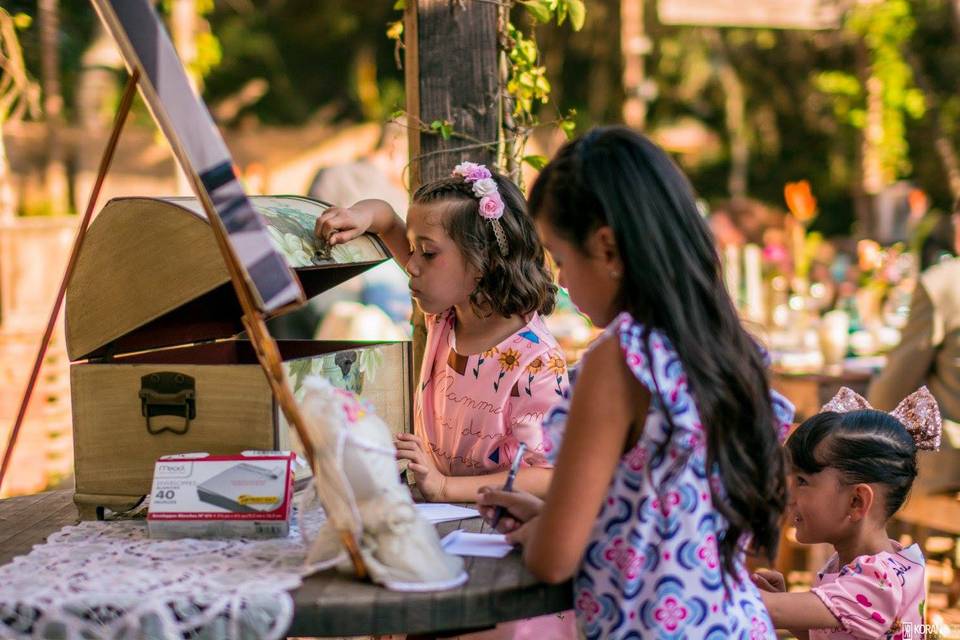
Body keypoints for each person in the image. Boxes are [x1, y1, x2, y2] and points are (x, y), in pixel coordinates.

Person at [478, 126, 795, 639]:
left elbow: (554, 561)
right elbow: (667, 521)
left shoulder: (622, 359)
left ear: (605, 247)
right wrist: (553, 513)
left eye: (560, 257)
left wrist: (542, 533)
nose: (559, 280)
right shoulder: (728, 349)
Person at [316, 161, 568, 503]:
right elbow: (386, 219)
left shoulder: (536, 361)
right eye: (411, 247)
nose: (412, 265)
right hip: (437, 516)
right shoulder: (451, 312)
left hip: (491, 527)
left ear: (484, 262)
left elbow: (547, 476)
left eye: (428, 253)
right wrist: (359, 215)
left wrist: (445, 487)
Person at [753, 386, 941, 639]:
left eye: (802, 481)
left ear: (856, 501)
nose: (788, 495)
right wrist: (791, 608)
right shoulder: (887, 563)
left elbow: (767, 610)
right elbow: (833, 632)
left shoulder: (877, 583)